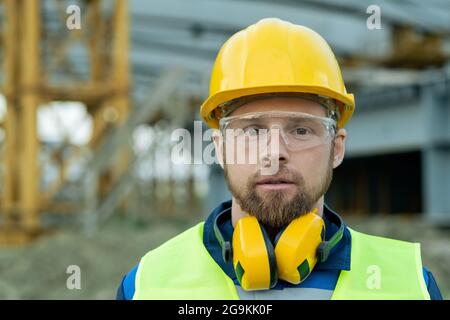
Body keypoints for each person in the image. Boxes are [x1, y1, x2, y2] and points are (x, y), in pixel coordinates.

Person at [116, 18, 442, 300]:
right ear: (220, 147)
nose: (275, 152)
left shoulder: (412, 285)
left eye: (301, 130)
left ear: (337, 148)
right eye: (252, 131)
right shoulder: (147, 285)